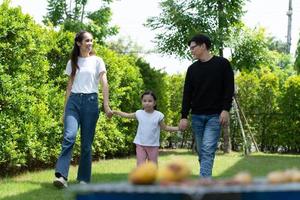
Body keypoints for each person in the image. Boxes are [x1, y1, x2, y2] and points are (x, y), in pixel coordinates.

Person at [53, 30, 112, 188]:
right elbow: (69, 87)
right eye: (87, 41)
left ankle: (83, 179)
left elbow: (104, 83)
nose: (90, 43)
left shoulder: (98, 61)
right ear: (79, 43)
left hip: (91, 102)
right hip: (73, 102)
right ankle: (61, 176)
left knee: (86, 144)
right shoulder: (72, 61)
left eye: (91, 40)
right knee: (69, 137)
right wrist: (65, 110)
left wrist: (106, 105)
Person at [179, 33, 234, 178]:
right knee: (201, 150)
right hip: (197, 116)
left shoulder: (222, 64)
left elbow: (229, 89)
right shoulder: (192, 69)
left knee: (208, 149)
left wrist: (225, 109)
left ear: (203, 46)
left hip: (215, 116)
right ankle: (206, 179)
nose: (191, 50)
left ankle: (204, 184)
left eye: (193, 47)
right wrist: (184, 116)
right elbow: (187, 94)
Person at [113, 91, 179, 166]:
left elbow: (165, 127)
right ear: (142, 102)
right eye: (144, 101)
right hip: (140, 144)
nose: (147, 103)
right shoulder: (139, 113)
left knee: (153, 166)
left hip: (153, 146)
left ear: (154, 103)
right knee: (140, 165)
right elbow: (127, 115)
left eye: (150, 101)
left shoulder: (158, 115)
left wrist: (178, 128)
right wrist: (116, 112)